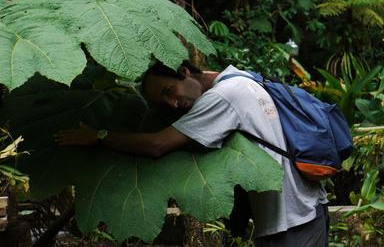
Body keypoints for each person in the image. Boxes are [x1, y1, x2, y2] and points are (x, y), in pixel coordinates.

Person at [55, 60, 329, 246]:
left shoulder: (221, 96)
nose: (173, 104)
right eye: (164, 102)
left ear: (184, 70)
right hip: (303, 213)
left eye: (168, 90)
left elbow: (157, 145)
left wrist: (100, 136)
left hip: (293, 222)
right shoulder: (239, 77)